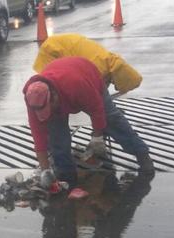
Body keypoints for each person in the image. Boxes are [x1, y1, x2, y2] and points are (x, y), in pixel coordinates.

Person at [23, 57, 154, 196]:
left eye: (49, 108)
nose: (47, 113)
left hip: (87, 76)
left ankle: (142, 155)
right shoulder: (34, 98)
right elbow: (38, 135)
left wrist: (97, 136)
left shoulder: (76, 85)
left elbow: (97, 109)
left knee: (112, 119)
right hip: (64, 83)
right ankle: (66, 177)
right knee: (57, 136)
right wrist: (45, 170)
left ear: (53, 96)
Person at [33, 33, 142, 94]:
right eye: (116, 85)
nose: (115, 86)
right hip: (52, 49)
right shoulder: (100, 68)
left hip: (63, 44)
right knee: (50, 87)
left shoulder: (107, 61)